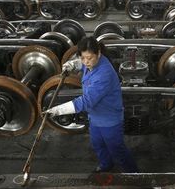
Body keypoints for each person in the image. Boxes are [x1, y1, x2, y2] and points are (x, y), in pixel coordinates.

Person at [44, 36, 139, 173]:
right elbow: (83, 64)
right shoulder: (91, 63)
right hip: (95, 117)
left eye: (89, 58)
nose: (86, 62)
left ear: (98, 53)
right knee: (98, 145)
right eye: (83, 58)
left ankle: (133, 174)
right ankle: (106, 166)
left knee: (116, 149)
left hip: (109, 120)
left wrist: (59, 110)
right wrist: (73, 65)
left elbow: (87, 101)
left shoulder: (104, 73)